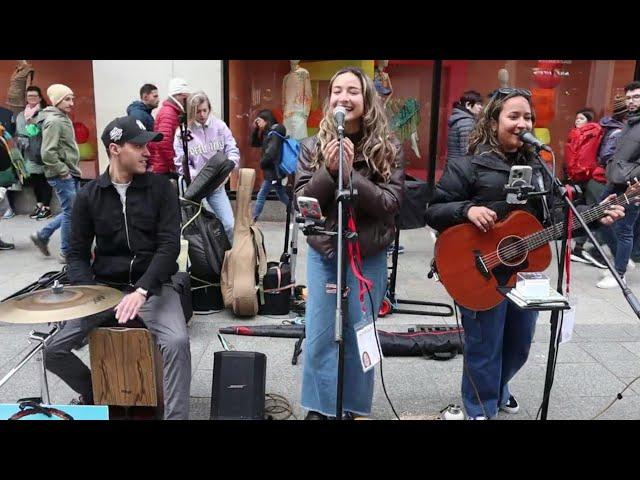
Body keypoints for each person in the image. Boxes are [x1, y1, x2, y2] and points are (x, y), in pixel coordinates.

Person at [425, 88, 624, 419]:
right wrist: (467, 210)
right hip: (478, 269)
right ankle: (480, 408)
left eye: (528, 117)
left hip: (522, 272)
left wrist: (595, 213)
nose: (522, 123)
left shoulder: (540, 168)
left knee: (519, 344)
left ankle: (498, 388)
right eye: (513, 116)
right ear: (493, 121)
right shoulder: (467, 166)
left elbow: (558, 218)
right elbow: (433, 211)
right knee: (484, 346)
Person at [44, 115, 191, 420]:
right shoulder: (88, 196)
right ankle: (99, 395)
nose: (147, 152)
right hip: (104, 289)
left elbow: (169, 247)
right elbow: (76, 254)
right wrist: (89, 294)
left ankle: (176, 417)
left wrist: (142, 290)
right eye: (138, 146)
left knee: (176, 341)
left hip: (153, 286)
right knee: (53, 350)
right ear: (114, 149)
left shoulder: (161, 188)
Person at [295, 67, 404, 420]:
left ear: (366, 98)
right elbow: (303, 203)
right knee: (321, 330)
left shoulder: (389, 147)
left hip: (367, 251)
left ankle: (352, 406)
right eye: (337, 91)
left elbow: (390, 204)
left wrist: (350, 173)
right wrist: (328, 170)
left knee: (361, 331)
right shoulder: (311, 146)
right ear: (330, 101)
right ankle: (320, 406)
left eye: (353, 91)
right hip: (325, 251)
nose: (344, 97)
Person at [173, 91, 239, 242]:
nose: (202, 115)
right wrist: (197, 177)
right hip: (197, 189)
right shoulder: (182, 133)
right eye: (198, 111)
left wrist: (228, 169)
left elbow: (232, 150)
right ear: (191, 111)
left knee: (229, 224)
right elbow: (180, 163)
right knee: (208, 227)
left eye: (205, 110)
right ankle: (211, 260)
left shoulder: (220, 126)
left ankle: (225, 258)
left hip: (217, 187)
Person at [30, 84, 81, 264]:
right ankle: (66, 252)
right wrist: (63, 170)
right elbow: (47, 152)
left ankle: (42, 235)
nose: (72, 103)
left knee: (72, 210)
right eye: (67, 99)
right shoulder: (55, 121)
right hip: (62, 174)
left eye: (72, 98)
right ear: (57, 100)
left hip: (69, 171)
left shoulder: (61, 117)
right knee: (70, 212)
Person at [598, 81, 640, 288]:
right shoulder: (630, 123)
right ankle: (621, 258)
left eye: (636, 97)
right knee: (598, 216)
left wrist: (630, 174)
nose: (631, 101)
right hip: (615, 180)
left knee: (625, 228)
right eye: (629, 97)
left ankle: (619, 273)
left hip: (633, 185)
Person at [565, 108, 606, 268]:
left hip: (590, 177)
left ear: (588, 121)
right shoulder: (576, 134)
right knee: (583, 212)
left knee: (595, 213)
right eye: (576, 118)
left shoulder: (593, 133)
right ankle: (580, 249)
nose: (577, 121)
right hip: (579, 178)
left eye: (581, 118)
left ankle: (593, 249)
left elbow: (587, 157)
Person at [15, 86, 53, 220]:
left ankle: (46, 207)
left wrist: (34, 126)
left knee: (46, 178)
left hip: (43, 150)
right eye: (29, 96)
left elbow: (48, 132)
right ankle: (39, 204)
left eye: (34, 96)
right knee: (35, 179)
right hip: (28, 152)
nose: (31, 99)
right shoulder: (21, 115)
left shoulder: (45, 113)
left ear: (40, 98)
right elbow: (20, 132)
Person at [250, 109, 289, 222]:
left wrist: (262, 163)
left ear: (266, 121)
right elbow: (255, 143)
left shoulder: (274, 132)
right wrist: (256, 129)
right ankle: (296, 212)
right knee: (281, 194)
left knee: (261, 195)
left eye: (260, 121)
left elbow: (271, 153)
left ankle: (253, 219)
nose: (258, 123)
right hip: (272, 171)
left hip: (273, 170)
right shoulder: (268, 132)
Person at [147, 78, 191, 178]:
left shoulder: (172, 111)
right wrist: (175, 165)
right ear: (178, 95)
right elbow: (163, 142)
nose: (187, 101)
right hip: (164, 169)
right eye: (186, 97)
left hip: (164, 167)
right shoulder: (169, 113)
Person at [446, 90, 483, 163]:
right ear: (468, 105)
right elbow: (466, 151)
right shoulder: (466, 122)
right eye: (478, 104)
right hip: (459, 166)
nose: (481, 107)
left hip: (454, 163)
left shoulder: (460, 118)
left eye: (481, 104)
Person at [282, 61, 312, 141]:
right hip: (287, 114)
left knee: (300, 141)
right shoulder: (286, 77)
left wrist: (305, 113)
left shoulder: (304, 73)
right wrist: (284, 112)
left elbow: (308, 94)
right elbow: (283, 98)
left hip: (299, 112)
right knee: (287, 141)